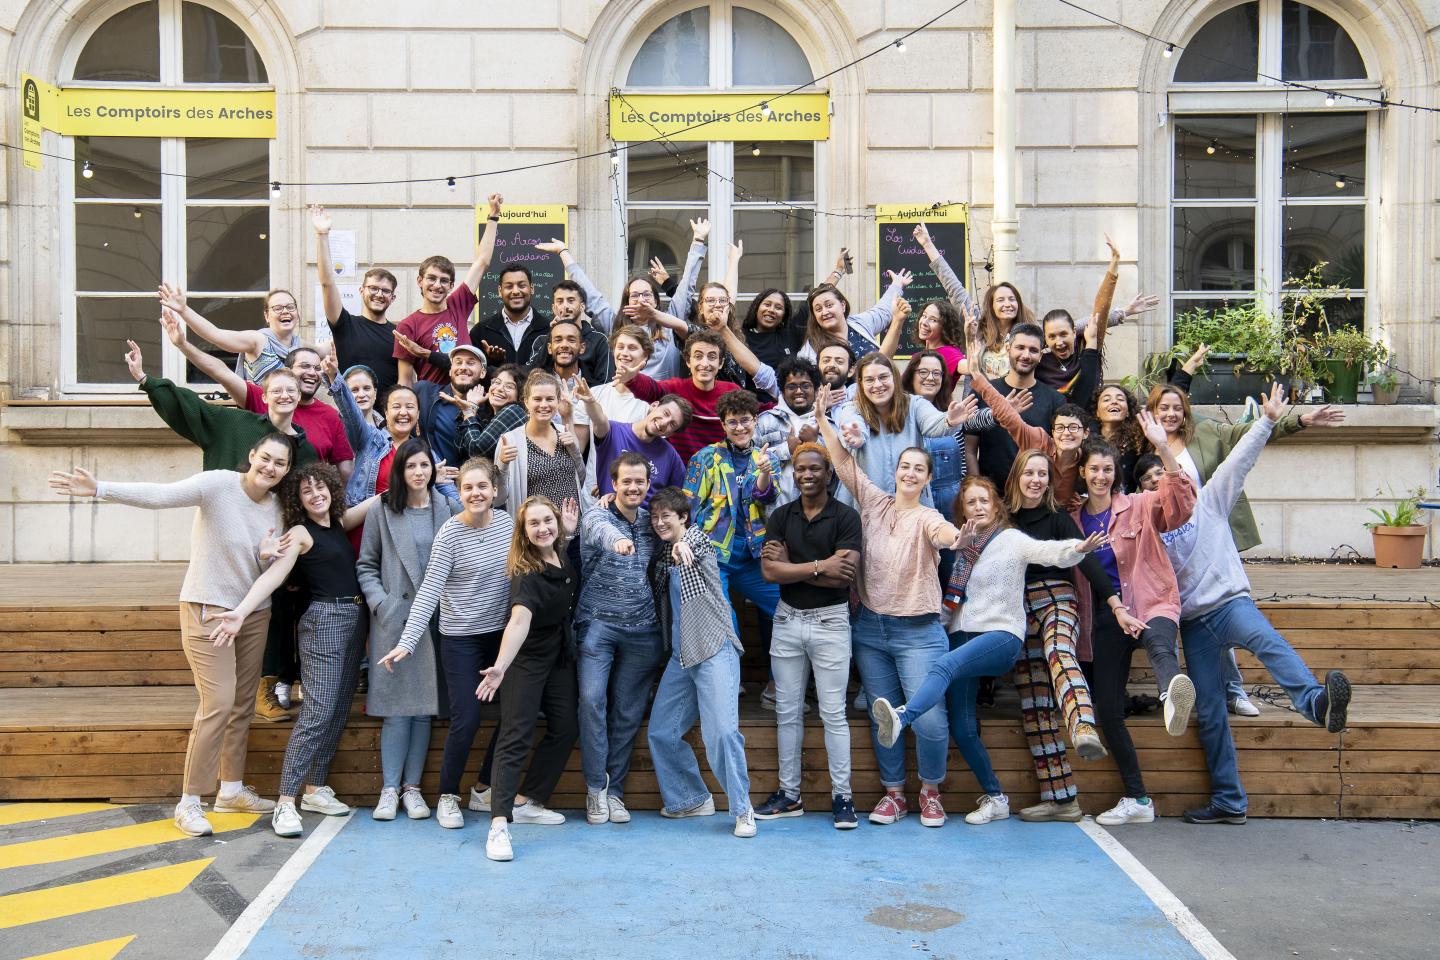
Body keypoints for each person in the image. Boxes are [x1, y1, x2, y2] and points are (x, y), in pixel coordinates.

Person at [48, 434, 297, 837]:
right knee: (217, 702)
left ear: (286, 470)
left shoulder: (278, 508)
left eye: (280, 463)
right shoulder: (218, 485)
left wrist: (264, 555)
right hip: (206, 608)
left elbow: (258, 563)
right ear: (251, 456)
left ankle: (231, 791)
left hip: (251, 615)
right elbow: (161, 496)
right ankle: (190, 802)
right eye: (265, 458)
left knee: (242, 703)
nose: (270, 467)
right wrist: (101, 489)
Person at [1163, 384, 1351, 826]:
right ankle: (1229, 801)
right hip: (1193, 625)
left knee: (1267, 640)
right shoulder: (1150, 530)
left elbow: (1240, 458)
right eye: (1157, 482)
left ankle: (1316, 703)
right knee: (1210, 711)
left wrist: (1268, 420)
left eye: (1172, 478)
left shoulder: (1211, 501)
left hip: (1229, 604)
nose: (1167, 487)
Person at [869, 476, 1104, 826]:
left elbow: (1046, 552)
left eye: (984, 501)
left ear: (995, 506)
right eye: (971, 503)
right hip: (961, 635)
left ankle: (902, 717)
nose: (978, 507)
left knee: (943, 666)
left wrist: (1077, 548)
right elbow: (951, 601)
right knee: (963, 729)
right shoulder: (960, 549)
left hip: (1001, 635)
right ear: (962, 510)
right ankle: (996, 798)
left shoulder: (1011, 539)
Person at [1146, 380, 1344, 716]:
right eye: (1163, 408)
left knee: (1241, 620)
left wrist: (1295, 420)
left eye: (1177, 408)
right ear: (1151, 412)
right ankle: (1224, 694)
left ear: (1186, 412)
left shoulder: (1204, 432)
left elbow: (1243, 445)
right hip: (1175, 556)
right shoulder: (1143, 453)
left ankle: (1243, 692)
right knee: (1213, 626)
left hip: (1209, 526)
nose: (1170, 414)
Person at [814, 386, 962, 827]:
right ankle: (894, 794)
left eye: (920, 468)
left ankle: (931, 791)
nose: (911, 472)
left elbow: (946, 536)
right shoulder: (874, 503)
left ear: (928, 477)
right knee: (884, 719)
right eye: (905, 466)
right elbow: (842, 462)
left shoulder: (930, 517)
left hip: (919, 633)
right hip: (871, 631)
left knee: (930, 720)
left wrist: (961, 539)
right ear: (895, 472)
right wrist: (823, 419)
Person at [213, 462, 380, 837]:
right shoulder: (301, 533)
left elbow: (373, 501)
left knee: (337, 709)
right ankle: (286, 801)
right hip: (324, 621)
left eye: (321, 488)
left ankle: (315, 788)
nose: (316, 494)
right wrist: (240, 611)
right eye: (307, 491)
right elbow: (275, 573)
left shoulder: (335, 523)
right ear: (297, 499)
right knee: (318, 711)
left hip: (354, 619)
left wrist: (414, 474)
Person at [376, 457, 514, 830]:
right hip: (460, 638)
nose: (475, 493)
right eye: (467, 487)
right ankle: (448, 796)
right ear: (459, 491)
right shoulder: (450, 535)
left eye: (482, 486)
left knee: (516, 715)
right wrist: (407, 642)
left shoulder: (508, 525)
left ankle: (483, 788)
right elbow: (428, 592)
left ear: (495, 491)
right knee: (466, 719)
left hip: (500, 636)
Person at [1001, 449, 1138, 821]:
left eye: (1043, 474)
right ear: (1016, 477)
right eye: (1029, 472)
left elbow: (1087, 558)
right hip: (1017, 609)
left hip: (1058, 599)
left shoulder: (1058, 518)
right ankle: (1061, 799)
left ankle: (1082, 727)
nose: (1036, 480)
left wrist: (1115, 603)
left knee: (1060, 652)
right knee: (1035, 706)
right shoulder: (1002, 518)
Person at [1073, 425, 1198, 825]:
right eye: (1094, 469)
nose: (1101, 476)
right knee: (1107, 710)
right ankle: (1138, 800)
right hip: (1107, 620)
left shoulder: (1141, 504)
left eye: (1107, 469)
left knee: (1161, 644)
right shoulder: (1073, 522)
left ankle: (1170, 696)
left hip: (1150, 600)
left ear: (1116, 474)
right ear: (1083, 473)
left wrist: (1163, 447)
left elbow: (1181, 505)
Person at [756, 443, 864, 828]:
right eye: (800, 469)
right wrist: (821, 565)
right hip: (786, 620)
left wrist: (792, 565)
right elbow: (770, 574)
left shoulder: (847, 517)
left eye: (814, 469)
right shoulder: (781, 516)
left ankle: (843, 797)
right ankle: (789, 795)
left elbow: (845, 574)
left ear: (828, 474)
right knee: (787, 713)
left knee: (833, 713)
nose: (806, 474)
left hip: (831, 621)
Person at [474, 495, 582, 862]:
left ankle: (527, 801)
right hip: (526, 659)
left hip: (559, 655)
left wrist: (565, 532)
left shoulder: (559, 552)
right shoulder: (526, 574)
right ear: (523, 532)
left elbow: (560, 544)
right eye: (533, 524)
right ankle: (499, 826)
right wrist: (501, 666)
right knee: (515, 737)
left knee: (566, 726)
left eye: (547, 521)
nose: (543, 528)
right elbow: (518, 621)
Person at [357, 439, 460, 822]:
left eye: (425, 465)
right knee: (396, 710)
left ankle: (412, 789)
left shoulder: (447, 509)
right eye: (411, 466)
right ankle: (389, 789)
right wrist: (382, 604)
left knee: (422, 711)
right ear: (400, 471)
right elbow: (366, 564)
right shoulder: (382, 510)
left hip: (435, 620)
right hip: (394, 618)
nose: (419, 472)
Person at [645, 486, 757, 839]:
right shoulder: (663, 555)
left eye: (667, 516)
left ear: (683, 518)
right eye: (655, 517)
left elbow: (693, 547)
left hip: (712, 651)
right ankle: (691, 798)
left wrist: (684, 545)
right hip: (682, 656)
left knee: (722, 733)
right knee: (662, 731)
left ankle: (743, 810)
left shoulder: (695, 542)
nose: (660, 522)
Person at [575, 453, 667, 824]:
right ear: (614, 483)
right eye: (626, 481)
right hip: (598, 626)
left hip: (643, 630)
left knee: (627, 712)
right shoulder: (597, 514)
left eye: (639, 482)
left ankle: (615, 792)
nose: (633, 488)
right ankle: (595, 789)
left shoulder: (650, 522)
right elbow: (599, 530)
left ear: (648, 485)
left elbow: (676, 531)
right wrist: (617, 542)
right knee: (591, 700)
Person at [163, 314, 353, 477]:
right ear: (287, 371)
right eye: (305, 366)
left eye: (317, 368)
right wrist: (182, 345)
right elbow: (220, 371)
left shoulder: (331, 416)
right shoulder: (263, 397)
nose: (312, 372)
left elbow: (344, 470)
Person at [124, 336, 317, 472]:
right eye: (276, 391)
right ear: (264, 397)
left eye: (290, 391)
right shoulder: (234, 423)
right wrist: (145, 379)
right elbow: (192, 408)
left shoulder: (305, 449)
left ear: (299, 396)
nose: (284, 396)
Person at [831, 351, 975, 509]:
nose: (878, 385)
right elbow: (852, 425)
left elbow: (933, 422)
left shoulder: (914, 404)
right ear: (861, 383)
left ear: (894, 377)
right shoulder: (852, 409)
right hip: (865, 507)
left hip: (911, 506)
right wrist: (856, 437)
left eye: (883, 377)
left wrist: (948, 420)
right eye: (869, 380)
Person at [683, 389, 781, 619]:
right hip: (713, 555)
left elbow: (767, 497)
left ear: (756, 420)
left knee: (784, 611)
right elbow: (687, 507)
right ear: (723, 425)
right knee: (723, 621)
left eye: (745, 420)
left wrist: (764, 471)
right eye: (732, 422)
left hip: (752, 555)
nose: (739, 428)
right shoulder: (705, 457)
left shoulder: (767, 458)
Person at [392, 194, 502, 386]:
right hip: (435, 403)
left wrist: (493, 216)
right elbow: (405, 380)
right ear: (419, 281)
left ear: (451, 286)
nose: (437, 285)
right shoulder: (408, 326)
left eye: (444, 281)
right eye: (431, 278)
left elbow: (482, 262)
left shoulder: (458, 304)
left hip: (469, 396)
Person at [623, 330, 777, 466]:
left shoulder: (731, 391)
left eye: (712, 357)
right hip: (679, 475)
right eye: (698, 356)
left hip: (720, 478)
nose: (705, 363)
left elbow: (760, 409)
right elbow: (650, 388)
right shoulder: (674, 389)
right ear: (688, 361)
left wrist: (787, 405)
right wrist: (631, 378)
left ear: (721, 362)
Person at [967, 319, 1066, 491]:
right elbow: (969, 448)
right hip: (992, 497)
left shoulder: (1055, 400)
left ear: (1041, 356)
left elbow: (1058, 452)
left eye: (1033, 350)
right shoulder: (983, 391)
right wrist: (979, 488)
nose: (1026, 355)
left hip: (1035, 496)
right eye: (1020, 348)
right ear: (1008, 349)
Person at [312, 204, 401, 391]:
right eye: (373, 288)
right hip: (350, 412)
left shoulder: (399, 334)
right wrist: (322, 235)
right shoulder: (345, 325)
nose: (379, 294)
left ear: (392, 298)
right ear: (362, 291)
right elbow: (327, 283)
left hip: (387, 417)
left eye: (385, 291)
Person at [572, 325, 662, 491]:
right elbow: (577, 450)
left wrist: (617, 482)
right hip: (593, 491)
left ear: (645, 357)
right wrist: (565, 416)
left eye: (632, 348)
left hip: (632, 493)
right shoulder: (593, 394)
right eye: (620, 347)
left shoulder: (652, 401)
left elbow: (655, 455)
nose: (625, 353)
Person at [157, 283, 302, 386]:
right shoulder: (258, 340)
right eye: (278, 308)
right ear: (266, 315)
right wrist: (184, 310)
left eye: (290, 307)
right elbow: (215, 334)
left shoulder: (301, 346)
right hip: (261, 420)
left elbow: (325, 347)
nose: (285, 311)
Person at [579, 379, 690, 503]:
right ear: (653, 405)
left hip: (648, 519)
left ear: (671, 433)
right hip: (609, 515)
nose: (664, 422)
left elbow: (678, 500)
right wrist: (590, 402)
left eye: (672, 424)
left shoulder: (671, 456)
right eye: (665, 413)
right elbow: (599, 418)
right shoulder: (614, 431)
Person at [495, 372, 584, 519]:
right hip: (536, 533)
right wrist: (502, 464)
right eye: (537, 399)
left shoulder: (564, 431)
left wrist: (574, 448)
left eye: (550, 399)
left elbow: (580, 479)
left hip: (573, 531)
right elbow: (498, 498)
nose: (544, 405)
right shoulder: (510, 440)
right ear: (526, 402)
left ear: (558, 401)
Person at [799, 270, 909, 362]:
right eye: (818, 309)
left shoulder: (859, 323)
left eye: (829, 305)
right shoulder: (809, 349)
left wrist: (897, 285)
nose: (824, 312)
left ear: (843, 306)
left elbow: (882, 311)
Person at [754, 357, 823, 505]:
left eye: (805, 385)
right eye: (791, 386)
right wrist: (787, 450)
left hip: (818, 512)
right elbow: (750, 461)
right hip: (774, 509)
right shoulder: (765, 421)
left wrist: (815, 443)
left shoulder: (825, 422)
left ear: (816, 390)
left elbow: (839, 467)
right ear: (783, 391)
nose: (799, 391)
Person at [411, 343, 493, 467]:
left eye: (470, 363)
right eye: (458, 362)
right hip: (431, 476)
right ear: (450, 370)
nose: (463, 367)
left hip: (468, 480)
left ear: (482, 373)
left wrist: (472, 408)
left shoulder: (490, 407)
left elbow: (482, 450)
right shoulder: (424, 391)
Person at [470, 264, 551, 370]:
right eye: (509, 286)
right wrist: (492, 361)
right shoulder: (480, 332)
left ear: (531, 288)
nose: (516, 291)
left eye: (522, 285)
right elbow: (475, 372)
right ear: (500, 291)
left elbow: (551, 371)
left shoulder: (549, 330)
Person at [883, 300, 966, 381]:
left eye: (933, 320)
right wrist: (898, 319)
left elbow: (967, 366)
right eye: (924, 316)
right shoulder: (920, 355)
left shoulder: (948, 353)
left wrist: (971, 340)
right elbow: (882, 361)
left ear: (945, 327)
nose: (924, 322)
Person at [341, 365, 385, 430]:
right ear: (345, 395)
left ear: (375, 392)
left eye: (366, 388)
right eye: (354, 390)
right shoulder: (338, 426)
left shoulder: (388, 425)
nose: (361, 395)